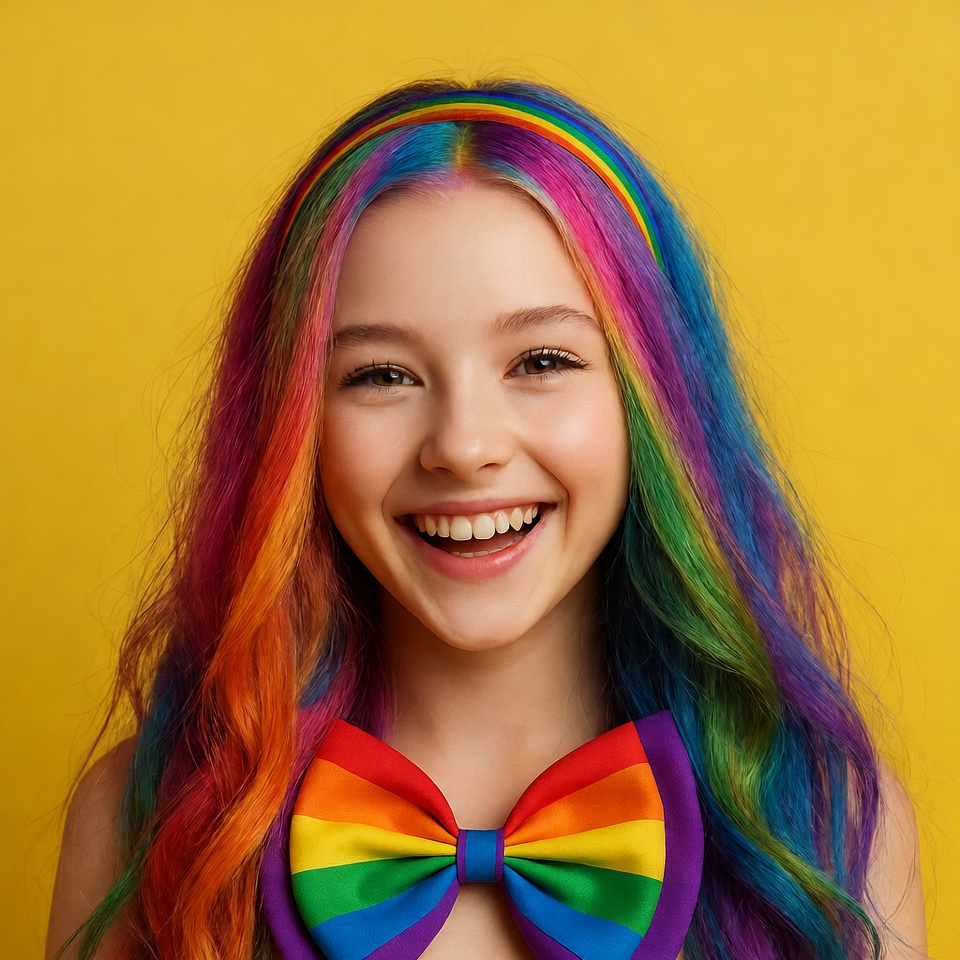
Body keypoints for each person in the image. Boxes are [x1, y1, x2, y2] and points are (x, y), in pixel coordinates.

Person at [46, 79, 926, 960]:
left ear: (655, 402)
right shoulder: (147, 822)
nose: (463, 447)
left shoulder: (828, 827)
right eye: (380, 375)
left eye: (541, 359)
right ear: (292, 424)